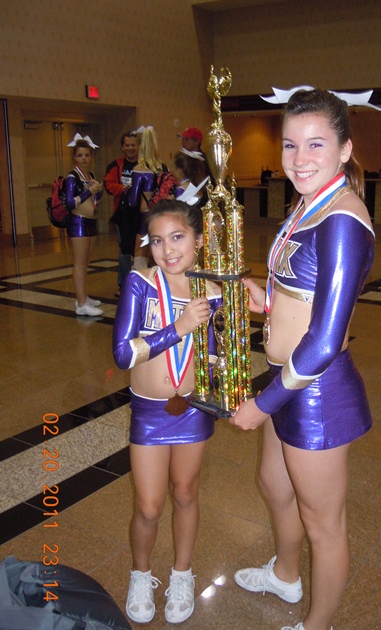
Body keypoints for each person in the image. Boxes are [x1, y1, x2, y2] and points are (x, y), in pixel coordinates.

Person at [230, 88, 376, 630]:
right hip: (287, 378)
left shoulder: (343, 218)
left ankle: (318, 624)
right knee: (274, 485)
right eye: (290, 145)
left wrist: (263, 404)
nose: (300, 158)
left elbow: (325, 338)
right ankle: (286, 575)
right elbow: (306, 292)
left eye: (316, 144)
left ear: (345, 149)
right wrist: (266, 300)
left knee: (324, 523)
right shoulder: (308, 204)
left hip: (315, 389)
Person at [112, 199, 222, 625]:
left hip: (193, 409)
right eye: (157, 240)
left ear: (198, 239)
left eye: (177, 237)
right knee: (149, 506)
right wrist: (177, 328)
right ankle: (141, 574)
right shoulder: (140, 284)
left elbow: (218, 353)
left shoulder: (213, 290)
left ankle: (182, 574)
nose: (168, 249)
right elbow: (123, 354)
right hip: (149, 411)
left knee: (186, 492)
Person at [64, 136, 104, 316]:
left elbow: (96, 200)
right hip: (78, 222)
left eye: (87, 155)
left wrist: (98, 191)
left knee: (86, 262)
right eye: (80, 155)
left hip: (90, 221)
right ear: (74, 157)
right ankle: (81, 304)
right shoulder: (72, 178)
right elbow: (70, 203)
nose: (84, 159)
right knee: (80, 263)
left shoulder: (90, 176)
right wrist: (89, 192)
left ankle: (83, 296)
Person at [129, 127, 175, 271]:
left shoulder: (139, 169)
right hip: (161, 213)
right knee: (160, 252)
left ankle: (143, 282)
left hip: (145, 215)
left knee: (140, 255)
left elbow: (133, 201)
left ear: (140, 146)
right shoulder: (163, 167)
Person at [104, 131, 140, 297]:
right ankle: (123, 285)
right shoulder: (115, 165)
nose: (131, 148)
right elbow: (108, 185)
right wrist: (123, 188)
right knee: (124, 250)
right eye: (127, 145)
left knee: (142, 249)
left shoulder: (144, 164)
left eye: (133, 145)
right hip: (122, 214)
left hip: (141, 213)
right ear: (122, 147)